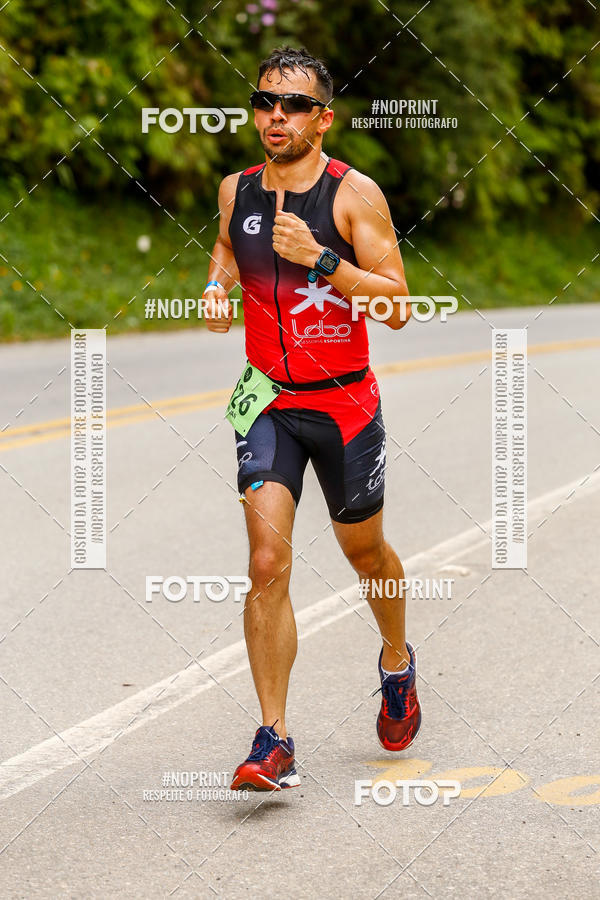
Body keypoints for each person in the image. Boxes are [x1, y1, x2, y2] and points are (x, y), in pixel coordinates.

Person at [203, 46, 421, 792]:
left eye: (293, 106)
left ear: (322, 119)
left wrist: (323, 261)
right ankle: (274, 738)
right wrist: (214, 285)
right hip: (265, 400)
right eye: (265, 101)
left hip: (344, 403)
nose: (275, 116)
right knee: (267, 565)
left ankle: (396, 661)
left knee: (367, 554)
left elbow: (397, 308)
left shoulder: (354, 195)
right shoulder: (237, 190)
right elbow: (228, 248)